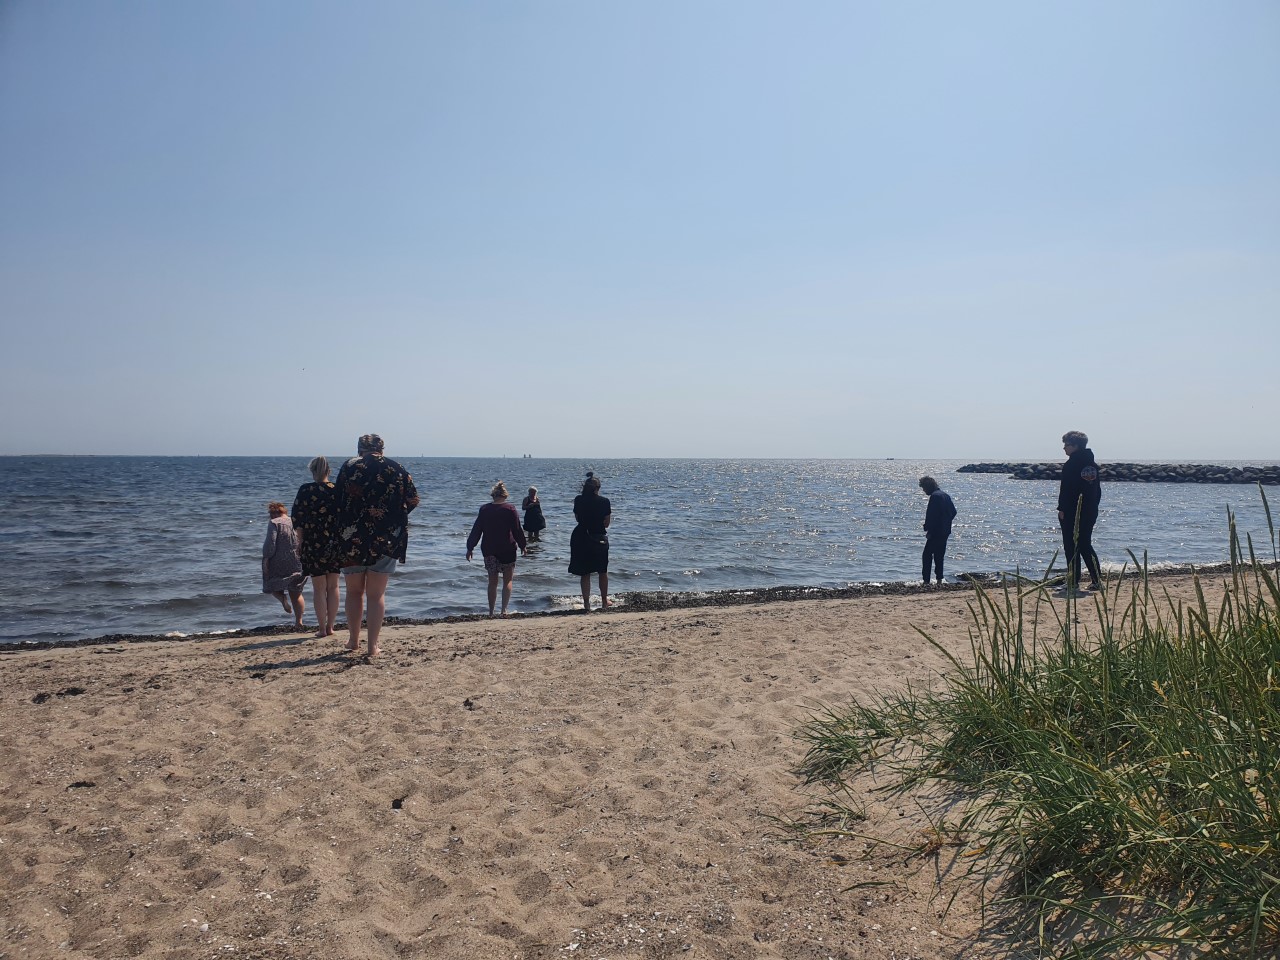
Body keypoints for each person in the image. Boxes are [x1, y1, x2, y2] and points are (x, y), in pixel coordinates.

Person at [334, 434, 420, 657]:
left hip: (351, 536)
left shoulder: (349, 466)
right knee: (376, 594)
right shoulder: (397, 467)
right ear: (382, 449)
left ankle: (353, 641)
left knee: (353, 592)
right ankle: (372, 646)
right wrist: (393, 517)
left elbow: (337, 500)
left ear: (360, 448)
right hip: (387, 537)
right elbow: (413, 499)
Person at [291, 456, 342, 638]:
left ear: (313, 472)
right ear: (329, 471)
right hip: (335, 542)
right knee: (334, 587)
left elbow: (298, 520)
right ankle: (331, 626)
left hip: (313, 543)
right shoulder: (337, 490)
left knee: (319, 588)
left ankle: (321, 628)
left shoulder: (305, 490)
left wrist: (300, 542)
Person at [466, 481, 528, 617]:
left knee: (492, 582)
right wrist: (523, 545)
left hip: (489, 549)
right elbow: (517, 530)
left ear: (493, 495)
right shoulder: (510, 509)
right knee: (508, 581)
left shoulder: (484, 509)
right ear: (505, 495)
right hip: (507, 549)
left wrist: (470, 547)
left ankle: (491, 611)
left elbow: (476, 530)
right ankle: (504, 610)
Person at [1058, 430, 1103, 592]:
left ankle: (1073, 581)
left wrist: (1062, 509)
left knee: (1071, 546)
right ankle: (1096, 580)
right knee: (1084, 544)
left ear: (1076, 446)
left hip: (1073, 511)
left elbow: (1068, 490)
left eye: (1067, 445)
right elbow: (1097, 492)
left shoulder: (1072, 464)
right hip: (1090, 510)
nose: (1064, 448)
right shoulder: (1091, 464)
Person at [568, 472, 611, 612]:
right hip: (598, 537)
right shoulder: (604, 501)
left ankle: (586, 604)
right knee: (602, 571)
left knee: (584, 573)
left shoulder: (578, 500)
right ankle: (604, 601)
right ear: (598, 487)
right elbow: (606, 524)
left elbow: (577, 518)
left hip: (580, 536)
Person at [262, 502, 306, 629]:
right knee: (296, 592)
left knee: (271, 583)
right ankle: (299, 622)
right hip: (299, 561)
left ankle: (282, 599)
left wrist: (266, 557)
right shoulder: (296, 521)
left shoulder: (274, 523)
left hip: (279, 561)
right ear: (285, 512)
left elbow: (270, 546)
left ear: (272, 513)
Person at [918, 476, 957, 585]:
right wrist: (946, 522)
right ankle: (939, 579)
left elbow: (932, 516)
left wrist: (928, 529)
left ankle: (926, 581)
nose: (924, 491)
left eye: (924, 488)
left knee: (927, 555)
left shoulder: (935, 497)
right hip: (945, 531)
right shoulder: (945, 495)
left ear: (928, 486)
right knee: (939, 556)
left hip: (936, 531)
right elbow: (953, 512)